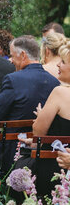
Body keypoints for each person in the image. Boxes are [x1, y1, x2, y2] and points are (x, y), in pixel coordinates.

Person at [0, 35, 60, 175]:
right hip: (44, 153)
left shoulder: (12, 80)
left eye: (12, 56)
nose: (11, 61)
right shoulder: (54, 83)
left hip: (13, 152)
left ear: (22, 55)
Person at [32, 40, 70, 196]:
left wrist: (41, 116)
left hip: (55, 166)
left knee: (22, 167)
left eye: (63, 62)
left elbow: (38, 132)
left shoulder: (60, 92)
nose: (58, 65)